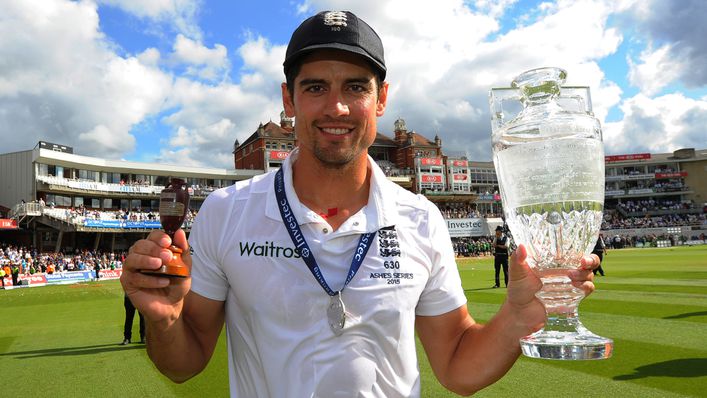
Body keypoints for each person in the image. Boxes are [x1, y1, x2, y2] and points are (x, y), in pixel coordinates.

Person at [121, 10, 600, 397]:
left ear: (381, 98)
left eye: (356, 86)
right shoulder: (227, 212)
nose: (337, 108)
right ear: (288, 100)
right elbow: (184, 363)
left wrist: (519, 316)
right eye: (315, 88)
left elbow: (458, 366)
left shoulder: (421, 219)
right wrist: (163, 322)